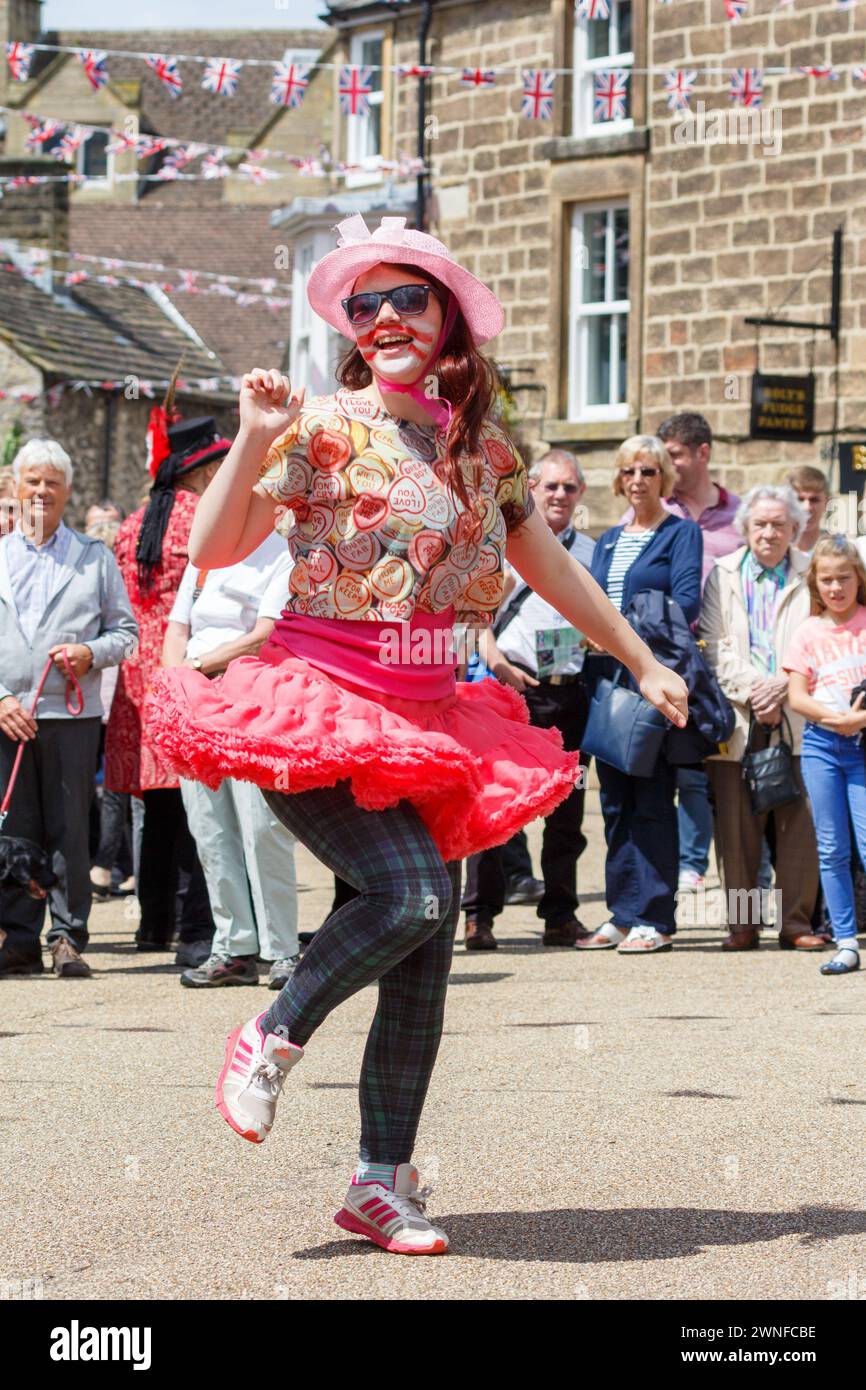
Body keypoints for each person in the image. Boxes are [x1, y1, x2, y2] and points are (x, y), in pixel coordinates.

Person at [146, 214, 687, 1256]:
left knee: (425, 950)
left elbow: (550, 570)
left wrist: (640, 657)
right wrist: (255, 435)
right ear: (349, 328)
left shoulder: (482, 448)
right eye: (365, 304)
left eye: (407, 299)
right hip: (312, 709)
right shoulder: (317, 425)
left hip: (432, 716)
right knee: (414, 896)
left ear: (447, 322)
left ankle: (377, 1184)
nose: (385, 318)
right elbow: (212, 547)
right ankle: (269, 1031)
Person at [0, 439, 138, 978]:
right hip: (9, 715)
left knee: (69, 830)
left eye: (51, 483)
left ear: (68, 492)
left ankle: (67, 936)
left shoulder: (94, 557)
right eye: (32, 481)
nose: (41, 491)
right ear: (15, 488)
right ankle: (17, 938)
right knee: (15, 832)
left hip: (71, 718)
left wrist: (89, 653)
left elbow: (125, 633)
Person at [105, 415, 230, 968]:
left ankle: (153, 923)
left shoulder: (130, 525)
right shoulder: (204, 517)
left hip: (136, 676)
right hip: (187, 670)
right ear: (201, 472)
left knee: (155, 808)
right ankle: (192, 926)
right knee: (193, 809)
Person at [461, 448, 596, 949]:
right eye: (551, 486)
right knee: (497, 805)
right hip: (509, 691)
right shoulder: (504, 547)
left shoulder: (591, 553)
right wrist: (497, 662)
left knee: (568, 815)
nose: (560, 495)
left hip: (569, 694)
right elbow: (471, 618)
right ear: (532, 489)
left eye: (570, 488)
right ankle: (480, 918)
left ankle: (560, 916)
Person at [579, 435, 702, 954]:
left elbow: (686, 599)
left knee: (652, 800)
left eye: (648, 471)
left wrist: (616, 628)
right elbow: (588, 598)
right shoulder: (607, 539)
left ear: (664, 479)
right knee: (614, 801)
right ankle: (621, 913)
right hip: (608, 682)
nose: (637, 481)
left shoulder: (681, 533)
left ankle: (656, 915)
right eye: (629, 471)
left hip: (652, 683)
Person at [161, 532, 301, 989]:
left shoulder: (281, 551)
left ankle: (282, 950)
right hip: (198, 700)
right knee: (210, 828)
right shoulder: (205, 556)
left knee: (262, 828)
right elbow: (177, 627)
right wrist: (175, 683)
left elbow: (264, 636)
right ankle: (234, 947)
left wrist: (195, 668)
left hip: (250, 697)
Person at [698, 486, 823, 951]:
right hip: (739, 717)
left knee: (799, 823)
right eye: (760, 524)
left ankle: (795, 925)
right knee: (737, 829)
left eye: (779, 524)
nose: (769, 532)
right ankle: (743, 925)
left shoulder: (812, 573)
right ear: (745, 528)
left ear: (795, 528)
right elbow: (714, 646)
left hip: (799, 713)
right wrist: (757, 689)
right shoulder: (724, 574)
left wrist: (783, 687)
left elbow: (819, 643)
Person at [652, 413, 741, 894]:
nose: (667, 463)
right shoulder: (654, 511)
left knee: (727, 768)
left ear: (702, 453)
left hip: (723, 658)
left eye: (676, 454)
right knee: (681, 768)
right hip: (669, 660)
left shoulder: (741, 515)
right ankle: (688, 865)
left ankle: (745, 874)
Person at [784, 535, 866, 975]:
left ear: (859, 579)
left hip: (862, 748)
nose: (836, 588)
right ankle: (846, 940)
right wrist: (838, 719)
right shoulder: (808, 632)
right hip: (821, 747)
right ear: (816, 583)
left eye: (844, 578)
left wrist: (860, 722)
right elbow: (798, 696)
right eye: (827, 579)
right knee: (832, 847)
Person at [786, 466, 829, 557]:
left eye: (814, 500)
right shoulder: (773, 550)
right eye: (799, 499)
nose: (807, 507)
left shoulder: (840, 550)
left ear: (826, 503)